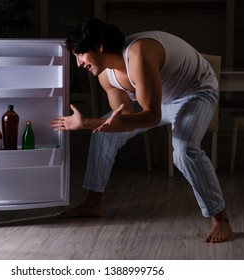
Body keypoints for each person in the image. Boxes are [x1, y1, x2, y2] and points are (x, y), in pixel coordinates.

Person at [50, 18, 232, 243]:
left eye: (80, 54)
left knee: (184, 150)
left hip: (195, 93)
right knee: (104, 136)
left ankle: (220, 218)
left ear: (99, 47)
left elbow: (150, 117)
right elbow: (124, 120)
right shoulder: (105, 75)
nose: (78, 64)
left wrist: (87, 122)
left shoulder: (139, 53)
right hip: (160, 99)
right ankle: (92, 204)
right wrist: (98, 125)